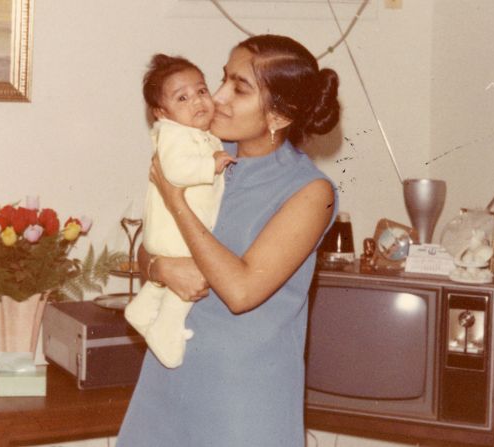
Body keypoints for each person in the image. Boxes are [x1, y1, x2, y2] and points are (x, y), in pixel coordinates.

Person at [117, 34, 341, 447]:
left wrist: (175, 200)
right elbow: (153, 248)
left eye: (238, 88)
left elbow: (240, 290)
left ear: (279, 115)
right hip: (167, 379)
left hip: (242, 400)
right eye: (221, 80)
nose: (216, 97)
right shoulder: (203, 153)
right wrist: (161, 267)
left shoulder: (310, 193)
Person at [124, 54, 236, 368]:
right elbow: (174, 170)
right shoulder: (173, 134)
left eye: (201, 91)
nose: (198, 101)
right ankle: (166, 329)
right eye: (182, 98)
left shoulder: (200, 134)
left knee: (185, 273)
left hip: (176, 230)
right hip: (175, 233)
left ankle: (143, 309)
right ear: (162, 113)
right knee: (195, 272)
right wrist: (210, 164)